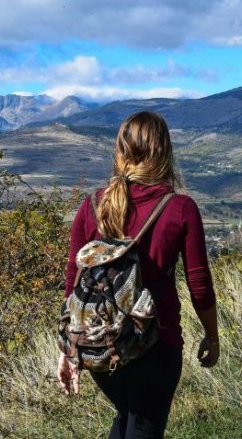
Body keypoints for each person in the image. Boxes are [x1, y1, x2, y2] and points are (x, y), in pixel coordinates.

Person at [58, 111, 219, 439]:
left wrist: (68, 349)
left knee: (128, 420)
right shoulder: (179, 207)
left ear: (120, 152)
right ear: (164, 152)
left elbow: (73, 285)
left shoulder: (92, 205)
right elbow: (199, 284)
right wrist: (212, 336)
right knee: (141, 426)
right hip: (156, 344)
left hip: (101, 346)